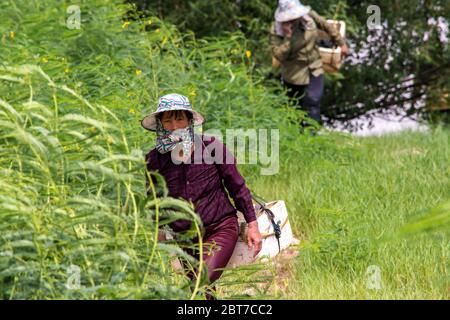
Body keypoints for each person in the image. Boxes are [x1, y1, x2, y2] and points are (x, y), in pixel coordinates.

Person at [141, 93, 262, 297]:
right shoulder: (153, 160)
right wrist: (159, 229)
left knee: (200, 282)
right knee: (205, 292)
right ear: (160, 124)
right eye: (168, 120)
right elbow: (154, 198)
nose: (174, 125)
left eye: (179, 118)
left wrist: (253, 224)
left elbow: (237, 186)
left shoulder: (211, 147)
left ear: (189, 121)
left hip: (219, 228)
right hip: (185, 237)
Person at [270, 0, 349, 126]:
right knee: (295, 108)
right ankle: (297, 137)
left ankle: (313, 133)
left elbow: (326, 26)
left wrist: (341, 43)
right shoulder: (277, 29)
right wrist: (288, 38)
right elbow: (278, 55)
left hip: (314, 67)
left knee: (312, 100)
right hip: (293, 74)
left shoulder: (308, 17)